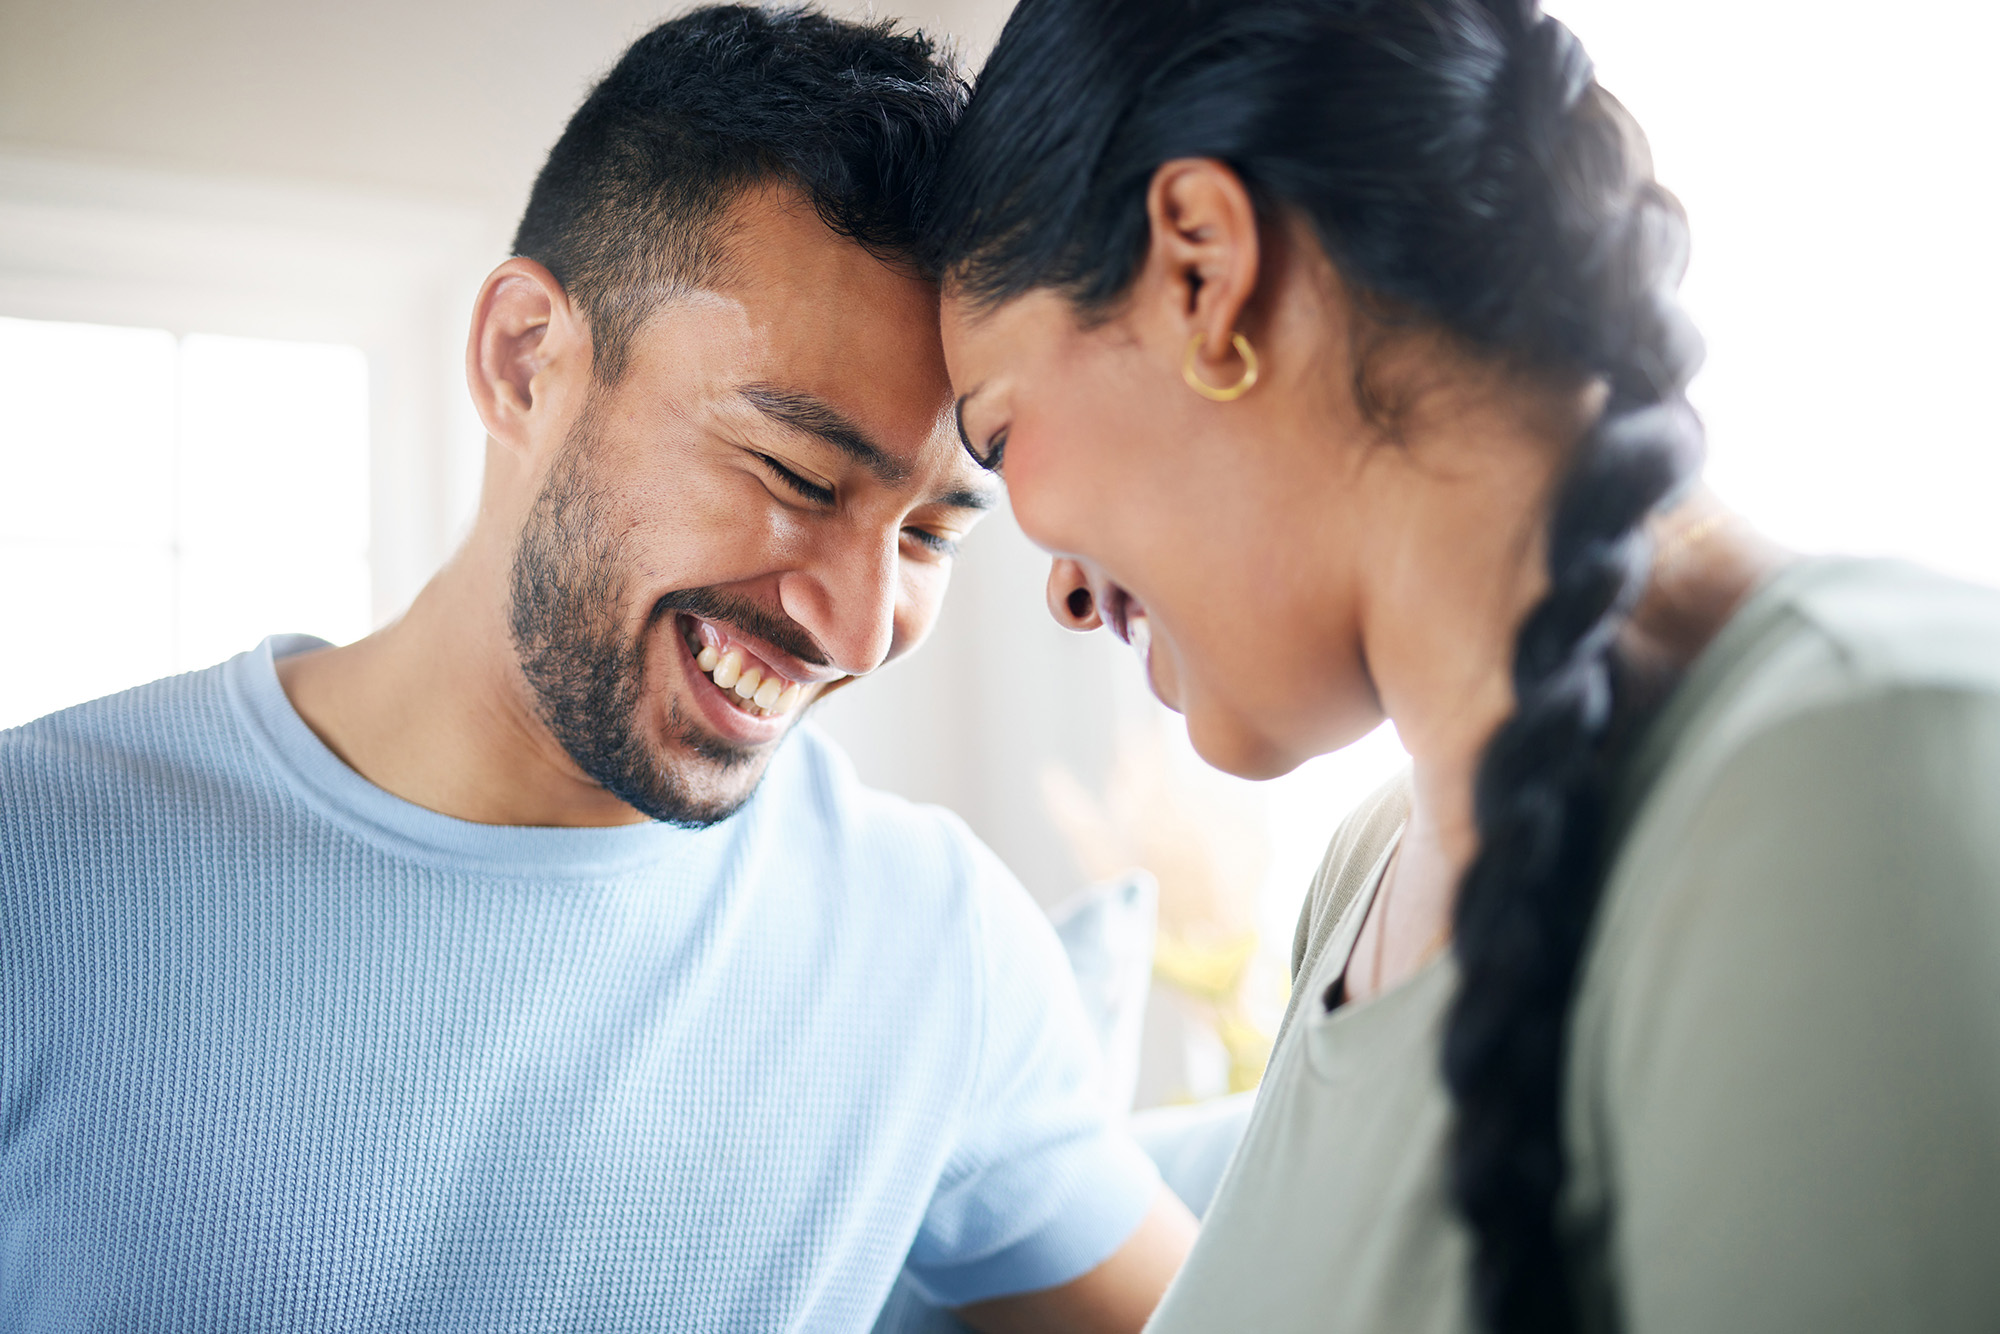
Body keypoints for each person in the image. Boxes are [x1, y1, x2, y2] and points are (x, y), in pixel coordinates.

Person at [0, 8, 1194, 1330]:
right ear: (526, 362)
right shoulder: (31, 868)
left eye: (927, 532)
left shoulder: (937, 947)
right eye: (796, 474)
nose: (859, 632)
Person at [927, 0, 2000, 1330]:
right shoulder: (1366, 879)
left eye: (1002, 429)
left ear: (1201, 268)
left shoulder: (1861, 781)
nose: (1064, 588)